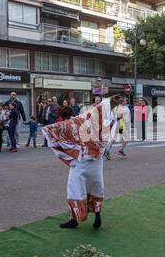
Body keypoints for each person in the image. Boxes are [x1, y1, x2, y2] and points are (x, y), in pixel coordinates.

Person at [42, 96, 122, 229]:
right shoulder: (85, 119)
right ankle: (97, 215)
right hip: (96, 161)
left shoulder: (65, 125)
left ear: (61, 116)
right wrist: (110, 102)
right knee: (96, 188)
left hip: (80, 162)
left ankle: (74, 219)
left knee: (74, 190)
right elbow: (98, 111)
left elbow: (49, 131)